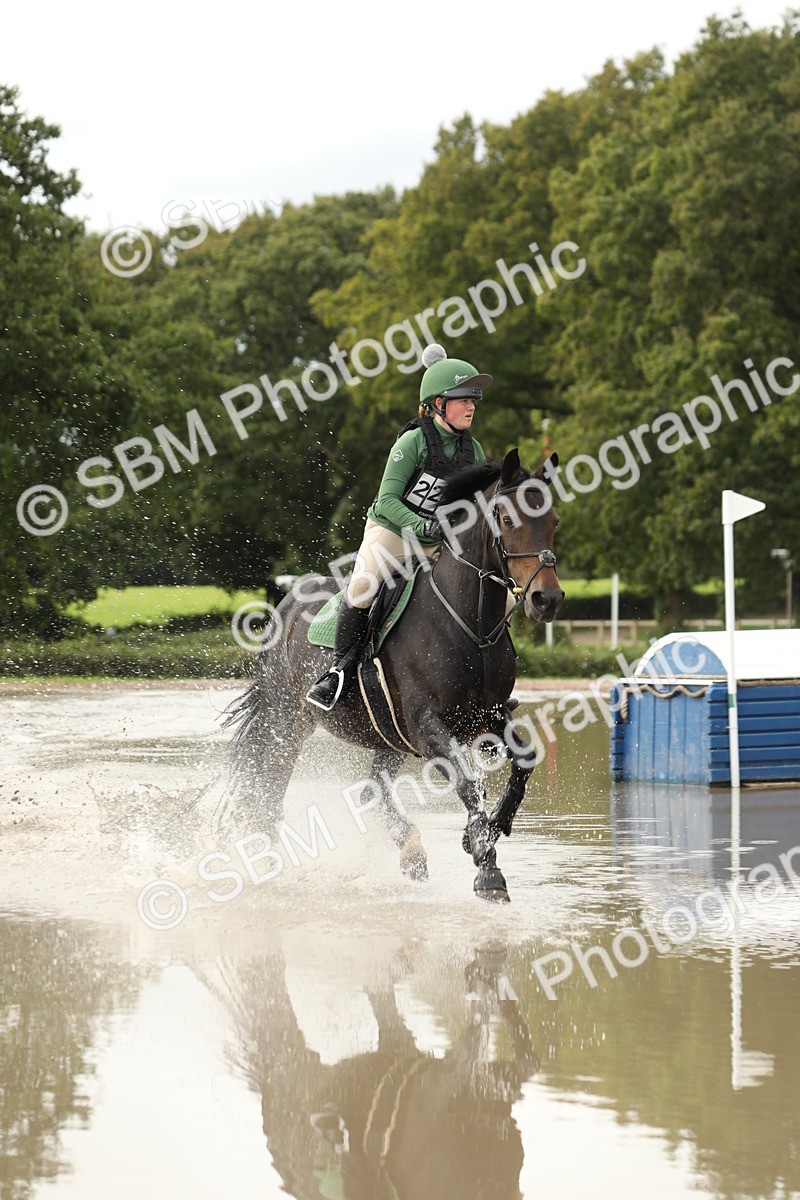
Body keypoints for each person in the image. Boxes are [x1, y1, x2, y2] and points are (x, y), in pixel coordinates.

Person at [305, 343, 491, 711]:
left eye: (474, 399)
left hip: (436, 542)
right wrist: (425, 526)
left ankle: (488, 680)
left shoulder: (476, 453)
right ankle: (338, 673)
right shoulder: (414, 442)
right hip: (391, 532)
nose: (471, 406)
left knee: (478, 587)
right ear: (438, 403)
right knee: (361, 588)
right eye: (462, 399)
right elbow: (388, 501)